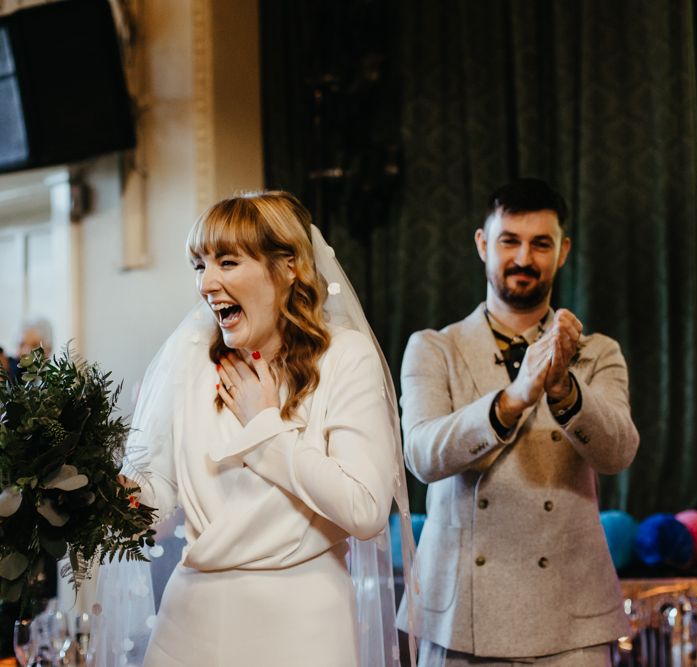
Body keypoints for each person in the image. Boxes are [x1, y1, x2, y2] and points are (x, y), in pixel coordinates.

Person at [105, 191, 416, 666]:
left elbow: (366, 509)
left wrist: (266, 428)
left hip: (301, 627)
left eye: (227, 262)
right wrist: (106, 494)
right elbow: (158, 494)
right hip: (189, 624)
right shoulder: (191, 358)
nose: (207, 284)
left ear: (288, 266)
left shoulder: (344, 358)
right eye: (198, 265)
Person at [396, 178, 640, 666]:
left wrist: (564, 390)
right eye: (510, 240)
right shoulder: (433, 348)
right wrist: (513, 398)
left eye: (540, 244)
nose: (524, 258)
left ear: (563, 251)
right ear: (483, 244)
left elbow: (618, 453)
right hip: (461, 618)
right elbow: (421, 456)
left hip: (572, 621)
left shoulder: (597, 353)